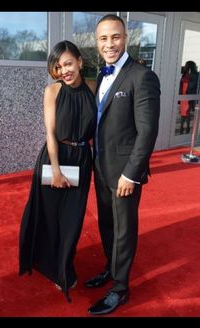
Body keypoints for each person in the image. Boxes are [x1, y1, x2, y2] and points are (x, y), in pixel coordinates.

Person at [85, 14, 161, 315]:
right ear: (97, 42)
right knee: (106, 224)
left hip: (124, 174)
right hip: (102, 168)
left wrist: (131, 174)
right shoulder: (103, 74)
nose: (109, 44)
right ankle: (110, 267)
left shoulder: (142, 77)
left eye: (115, 37)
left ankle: (120, 288)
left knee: (123, 230)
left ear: (126, 37)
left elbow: (148, 131)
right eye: (103, 38)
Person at [19, 40, 97, 302]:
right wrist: (54, 169)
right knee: (51, 217)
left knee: (72, 220)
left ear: (80, 62)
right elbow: (50, 134)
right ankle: (55, 269)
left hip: (82, 158)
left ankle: (65, 263)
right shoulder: (52, 91)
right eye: (58, 65)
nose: (64, 70)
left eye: (68, 63)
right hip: (55, 156)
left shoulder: (94, 88)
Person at [179, 60, 198, 134]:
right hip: (183, 96)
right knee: (183, 113)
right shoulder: (185, 74)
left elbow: (192, 85)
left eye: (186, 65)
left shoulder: (195, 75)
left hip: (188, 96)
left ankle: (187, 128)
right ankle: (181, 128)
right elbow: (181, 84)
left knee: (187, 113)